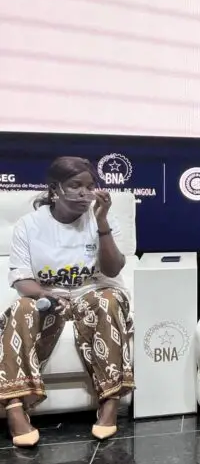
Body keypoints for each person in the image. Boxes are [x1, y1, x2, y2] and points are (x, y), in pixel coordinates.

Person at [1, 156, 135, 447]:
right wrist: (43, 294)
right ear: (55, 189)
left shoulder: (102, 219)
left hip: (94, 291)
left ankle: (110, 402)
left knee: (108, 301)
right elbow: (21, 279)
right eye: (75, 186)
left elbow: (113, 270)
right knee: (20, 308)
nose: (84, 193)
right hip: (49, 295)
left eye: (90, 186)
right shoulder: (30, 225)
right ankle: (14, 407)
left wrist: (101, 223)